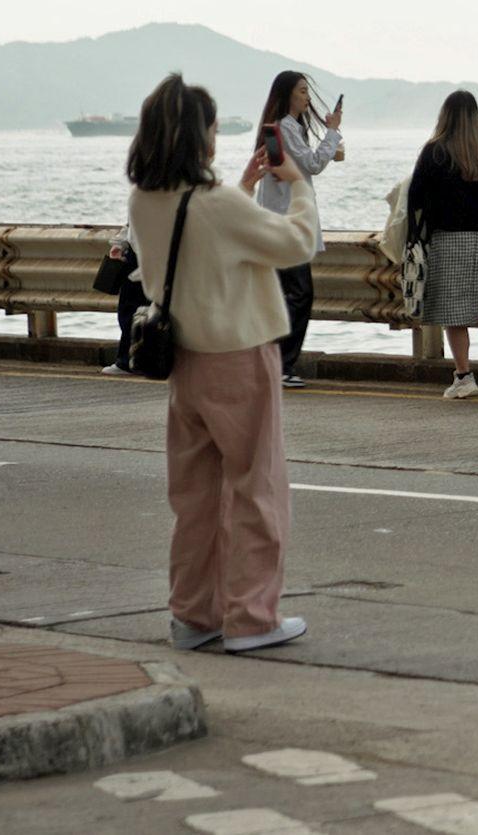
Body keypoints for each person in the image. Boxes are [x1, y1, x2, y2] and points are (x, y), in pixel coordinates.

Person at [126, 73, 316, 653]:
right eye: (211, 127)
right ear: (196, 136)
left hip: (184, 359)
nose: (215, 136)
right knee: (257, 489)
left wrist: (242, 186)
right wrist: (299, 182)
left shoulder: (144, 200)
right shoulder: (219, 203)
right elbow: (297, 242)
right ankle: (252, 619)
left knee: (196, 497)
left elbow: (199, 238)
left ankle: (193, 615)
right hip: (239, 358)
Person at [407, 90, 478, 400]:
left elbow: (416, 197)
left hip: (450, 239)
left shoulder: (435, 152)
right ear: (476, 115)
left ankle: (464, 376)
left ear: (445, 116)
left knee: (453, 313)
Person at [254, 71, 344, 388]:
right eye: (302, 91)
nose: (307, 97)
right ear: (287, 95)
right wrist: (332, 132)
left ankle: (273, 363)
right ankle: (282, 365)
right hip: (287, 226)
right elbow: (313, 164)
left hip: (279, 222)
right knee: (300, 295)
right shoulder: (286, 128)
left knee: (284, 295)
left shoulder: (282, 128)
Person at [101, 226, 149, 376]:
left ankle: (127, 361)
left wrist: (121, 243)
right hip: (160, 258)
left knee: (130, 311)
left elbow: (133, 222)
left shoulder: (143, 202)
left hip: (140, 257)